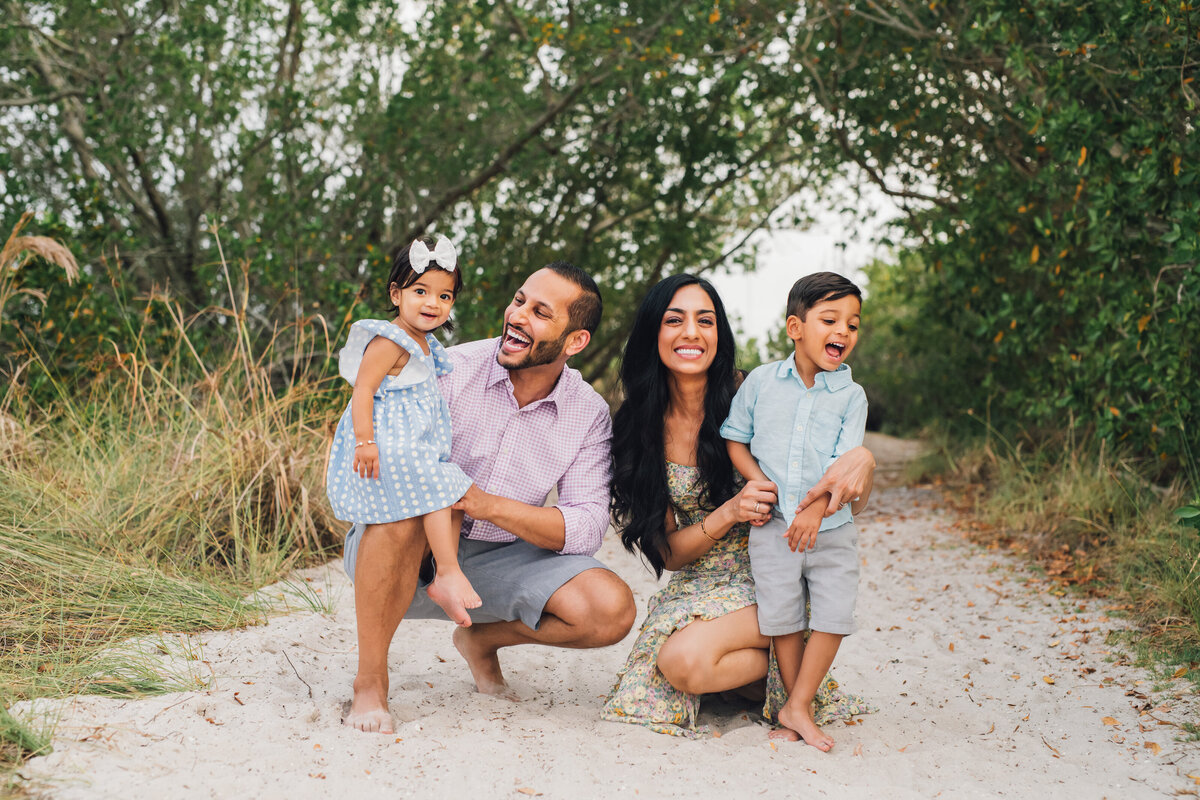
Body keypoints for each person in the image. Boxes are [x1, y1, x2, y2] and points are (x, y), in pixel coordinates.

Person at [340, 259, 636, 734]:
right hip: (402, 549)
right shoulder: (447, 368)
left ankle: (480, 641)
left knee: (610, 608)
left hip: (496, 562)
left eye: (541, 312)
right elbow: (390, 459)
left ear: (575, 341)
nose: (517, 316)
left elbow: (584, 527)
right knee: (401, 513)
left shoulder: (589, 413)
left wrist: (485, 503)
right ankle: (370, 680)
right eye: (519, 300)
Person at [601, 273, 875, 738]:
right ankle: (780, 685)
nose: (691, 332)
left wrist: (862, 461)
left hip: (775, 563)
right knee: (680, 664)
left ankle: (791, 691)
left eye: (704, 320)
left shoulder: (756, 392)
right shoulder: (637, 430)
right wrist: (728, 512)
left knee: (685, 660)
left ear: (718, 333)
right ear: (654, 333)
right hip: (701, 582)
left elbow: (847, 502)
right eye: (675, 320)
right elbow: (668, 555)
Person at [721, 271, 868, 752]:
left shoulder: (852, 397)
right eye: (831, 319)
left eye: (853, 323)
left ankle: (798, 704)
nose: (843, 331)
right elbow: (735, 437)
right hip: (773, 529)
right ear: (795, 327)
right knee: (782, 616)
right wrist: (757, 481)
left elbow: (844, 467)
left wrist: (818, 511)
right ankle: (792, 705)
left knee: (832, 615)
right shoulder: (763, 382)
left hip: (833, 530)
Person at [326, 235, 479, 629]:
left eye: (445, 297)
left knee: (450, 488)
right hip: (386, 442)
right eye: (421, 291)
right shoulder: (389, 339)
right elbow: (363, 390)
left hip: (412, 443)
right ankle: (446, 573)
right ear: (397, 294)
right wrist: (365, 442)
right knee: (438, 485)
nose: (433, 303)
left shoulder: (424, 343)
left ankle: (446, 569)